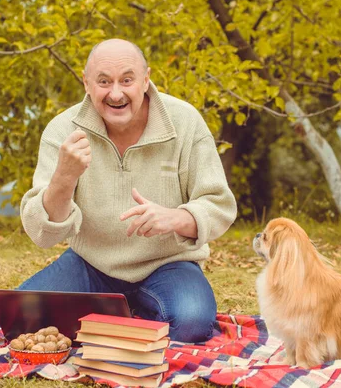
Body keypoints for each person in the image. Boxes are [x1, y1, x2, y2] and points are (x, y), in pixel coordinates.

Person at [18, 39, 237, 343]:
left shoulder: (186, 122)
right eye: (104, 81)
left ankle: (113, 316)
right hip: (91, 264)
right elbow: (42, 233)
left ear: (146, 80)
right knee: (20, 317)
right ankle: (129, 317)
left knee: (192, 324)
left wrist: (176, 217)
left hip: (169, 264)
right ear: (86, 83)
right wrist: (63, 178)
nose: (116, 93)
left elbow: (220, 206)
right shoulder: (62, 131)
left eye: (127, 80)